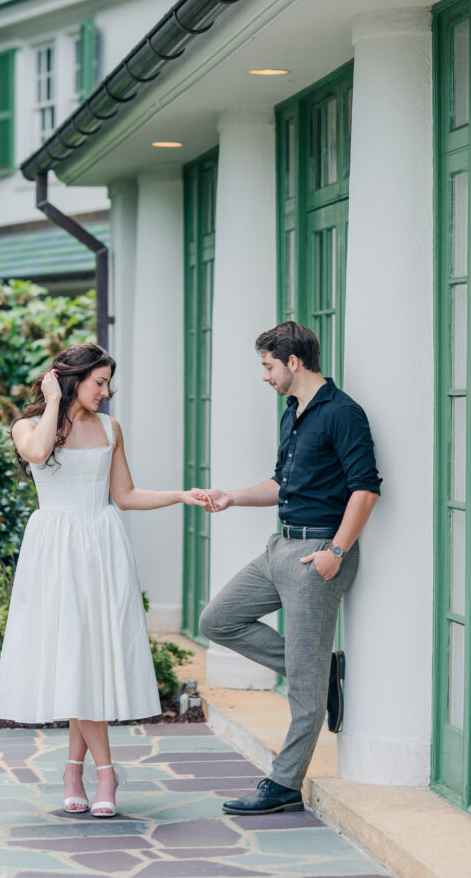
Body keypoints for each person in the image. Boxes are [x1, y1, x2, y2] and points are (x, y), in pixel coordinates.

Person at [0, 342, 202, 818]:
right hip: (55, 548)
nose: (106, 393)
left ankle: (74, 770)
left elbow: (125, 496)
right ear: (72, 379)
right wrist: (52, 401)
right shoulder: (28, 426)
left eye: (108, 383)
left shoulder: (111, 428)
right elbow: (38, 453)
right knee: (73, 653)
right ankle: (105, 773)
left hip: (103, 546)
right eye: (99, 382)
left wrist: (181, 495)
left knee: (88, 658)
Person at [198, 322, 381, 815]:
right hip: (280, 546)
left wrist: (335, 552)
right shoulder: (292, 412)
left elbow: (365, 489)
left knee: (303, 688)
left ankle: (284, 784)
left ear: (293, 362)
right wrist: (232, 497)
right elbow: (282, 483)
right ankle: (321, 671)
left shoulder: (342, 413)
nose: (265, 375)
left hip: (317, 552)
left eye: (268, 366)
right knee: (218, 620)